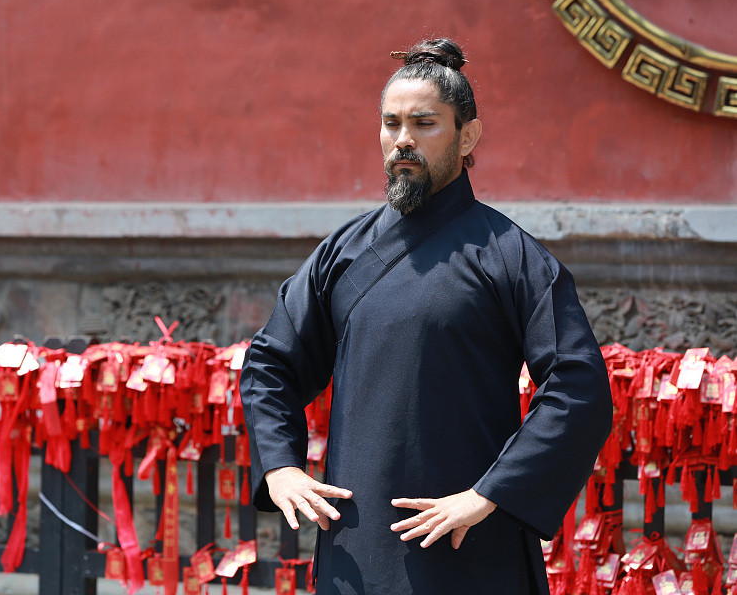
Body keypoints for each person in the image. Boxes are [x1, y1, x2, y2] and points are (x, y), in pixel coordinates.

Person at [239, 37, 613, 595]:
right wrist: (281, 467)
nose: (403, 141)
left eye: (424, 123)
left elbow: (580, 388)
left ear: (468, 136)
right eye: (390, 124)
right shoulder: (342, 254)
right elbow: (271, 364)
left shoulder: (509, 255)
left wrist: (489, 494)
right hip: (356, 553)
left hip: (469, 552)